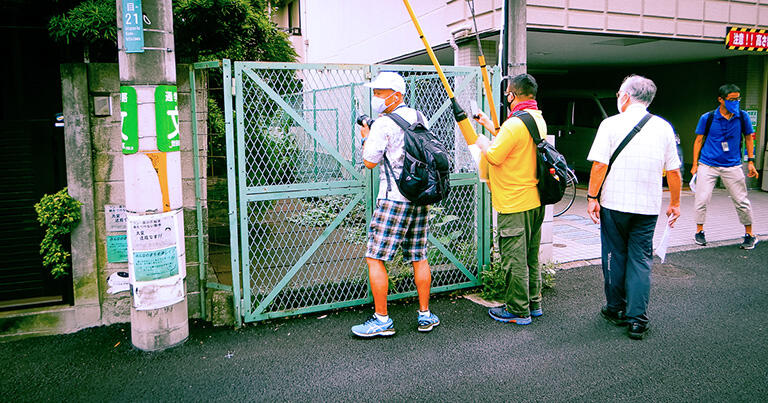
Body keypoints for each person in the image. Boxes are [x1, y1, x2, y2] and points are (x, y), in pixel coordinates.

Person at [586, 75, 682, 340]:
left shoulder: (610, 124)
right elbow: (673, 171)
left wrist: (591, 197)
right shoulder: (663, 127)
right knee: (640, 260)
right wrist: (675, 203)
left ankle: (615, 308)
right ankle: (637, 320)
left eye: (619, 93)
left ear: (626, 96)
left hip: (614, 204)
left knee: (615, 255)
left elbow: (599, 165)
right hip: (648, 207)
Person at [350, 71, 440, 337]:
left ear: (396, 95)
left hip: (393, 200)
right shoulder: (419, 116)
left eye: (379, 93)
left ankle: (382, 320)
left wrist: (367, 135)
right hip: (419, 197)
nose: (375, 97)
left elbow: (369, 162)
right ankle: (425, 315)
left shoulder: (383, 124)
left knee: (375, 257)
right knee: (419, 256)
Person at [474, 74, 546, 325]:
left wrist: (483, 141)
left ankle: (517, 310)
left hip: (514, 202)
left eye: (507, 94)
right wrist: (492, 126)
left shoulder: (514, 124)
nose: (506, 98)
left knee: (514, 260)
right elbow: (516, 144)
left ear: (513, 95)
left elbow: (494, 156)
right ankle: (533, 303)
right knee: (530, 257)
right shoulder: (536, 119)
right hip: (535, 200)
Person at [690, 84, 759, 250]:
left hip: (733, 165)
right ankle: (699, 231)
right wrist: (694, 165)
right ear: (720, 99)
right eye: (731, 100)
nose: (735, 102)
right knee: (702, 199)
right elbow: (698, 140)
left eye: (738, 99)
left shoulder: (742, 117)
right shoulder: (708, 117)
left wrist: (750, 161)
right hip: (708, 164)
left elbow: (749, 138)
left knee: (741, 200)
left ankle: (749, 234)